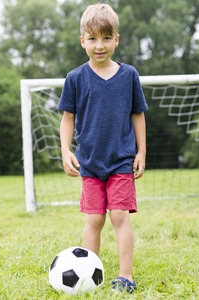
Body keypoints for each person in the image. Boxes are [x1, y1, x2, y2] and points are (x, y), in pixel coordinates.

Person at [58, 3, 148, 294]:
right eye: (93, 38)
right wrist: (65, 150)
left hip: (121, 159)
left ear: (116, 40)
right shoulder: (75, 78)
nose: (100, 45)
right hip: (90, 163)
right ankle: (86, 276)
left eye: (106, 38)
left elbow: (138, 114)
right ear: (82, 40)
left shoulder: (129, 76)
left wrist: (141, 151)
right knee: (94, 218)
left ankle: (126, 276)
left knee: (119, 216)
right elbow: (67, 118)